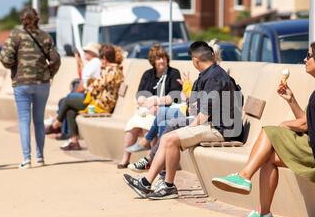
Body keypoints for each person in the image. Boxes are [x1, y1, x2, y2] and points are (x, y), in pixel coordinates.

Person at [211, 40, 315, 217]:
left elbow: (307, 125)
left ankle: (244, 176)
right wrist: (291, 100)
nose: (305, 59)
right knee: (268, 158)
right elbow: (309, 121)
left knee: (269, 131)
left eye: (309, 56)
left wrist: (284, 125)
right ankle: (263, 213)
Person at [123, 41, 243, 200]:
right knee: (169, 132)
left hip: (220, 130)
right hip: (210, 123)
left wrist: (185, 130)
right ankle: (146, 183)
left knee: (171, 139)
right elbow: (194, 107)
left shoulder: (215, 78)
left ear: (195, 60)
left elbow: (203, 115)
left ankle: (168, 186)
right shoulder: (207, 74)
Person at [0, 7, 61, 169]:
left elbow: (5, 58)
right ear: (37, 18)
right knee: (39, 121)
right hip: (42, 83)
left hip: (22, 83)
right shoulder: (45, 36)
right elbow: (55, 59)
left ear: (22, 19)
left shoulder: (16, 35)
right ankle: (40, 158)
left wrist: (14, 67)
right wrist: (50, 74)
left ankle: (27, 159)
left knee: (24, 120)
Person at [118, 44, 182, 169]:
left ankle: (151, 160)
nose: (162, 61)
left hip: (164, 109)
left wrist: (157, 101)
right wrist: (148, 103)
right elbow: (140, 96)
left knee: (149, 124)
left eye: (163, 57)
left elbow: (175, 96)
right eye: (158, 58)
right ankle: (125, 158)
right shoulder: (148, 74)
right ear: (153, 60)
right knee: (132, 126)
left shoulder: (173, 73)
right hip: (147, 109)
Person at [50, 45, 124, 150]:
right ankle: (74, 141)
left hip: (100, 105)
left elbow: (97, 86)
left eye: (101, 59)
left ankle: (57, 123)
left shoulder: (113, 70)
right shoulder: (110, 69)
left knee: (69, 98)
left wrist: (91, 84)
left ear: (104, 58)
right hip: (96, 101)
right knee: (70, 111)